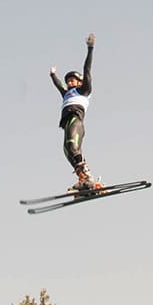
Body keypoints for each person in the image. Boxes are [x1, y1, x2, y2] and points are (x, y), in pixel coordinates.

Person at [51, 34, 98, 190]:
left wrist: (90, 49)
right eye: (68, 80)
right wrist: (53, 76)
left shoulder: (83, 90)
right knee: (67, 151)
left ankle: (89, 178)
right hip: (66, 123)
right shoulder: (67, 93)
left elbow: (87, 69)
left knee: (72, 147)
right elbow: (59, 86)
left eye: (73, 80)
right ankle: (84, 180)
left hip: (75, 120)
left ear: (79, 81)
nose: (70, 82)